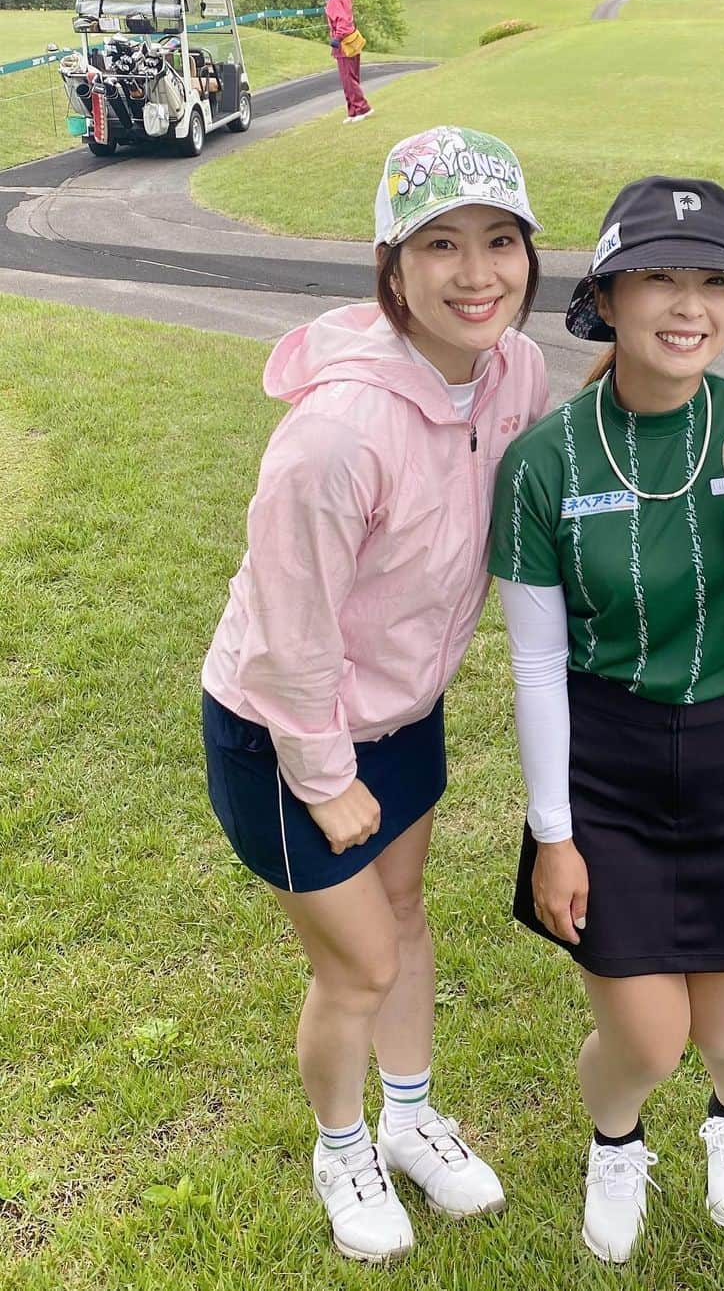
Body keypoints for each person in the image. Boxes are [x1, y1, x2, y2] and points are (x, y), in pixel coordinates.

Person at [201, 126, 547, 1263]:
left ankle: (410, 1117)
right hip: (289, 731)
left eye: (501, 239)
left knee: (405, 916)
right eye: (439, 243)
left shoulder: (517, 369)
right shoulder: (335, 435)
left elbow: (540, 477)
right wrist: (324, 771)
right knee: (361, 962)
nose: (476, 272)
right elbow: (291, 630)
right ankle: (341, 1143)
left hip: (405, 709)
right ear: (390, 265)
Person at [489, 176, 724, 1263]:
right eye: (660, 278)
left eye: (713, 281)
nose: (690, 306)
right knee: (646, 1034)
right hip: (609, 761)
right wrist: (553, 833)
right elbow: (538, 661)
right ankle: (617, 1136)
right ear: (609, 297)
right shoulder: (545, 459)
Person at [316, 0, 372, 125]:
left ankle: (362, 108)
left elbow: (342, 22)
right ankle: (353, 111)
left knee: (348, 79)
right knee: (352, 77)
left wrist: (337, 38)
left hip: (344, 43)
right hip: (353, 40)